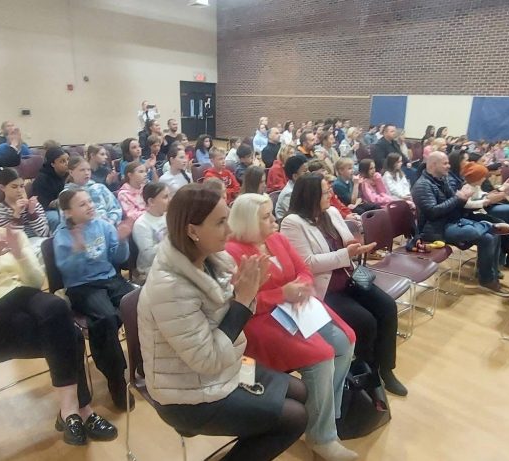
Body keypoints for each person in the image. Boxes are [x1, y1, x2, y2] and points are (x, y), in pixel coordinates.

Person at [0, 181, 115, 445]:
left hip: (23, 301)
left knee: (57, 308)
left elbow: (34, 282)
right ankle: (82, 410)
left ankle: (71, 412)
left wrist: (20, 255)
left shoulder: (9, 234)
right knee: (71, 334)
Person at [138, 184, 306, 461]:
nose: (229, 230)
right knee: (295, 417)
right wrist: (244, 298)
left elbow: (230, 318)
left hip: (227, 367)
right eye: (219, 222)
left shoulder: (213, 259)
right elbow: (208, 359)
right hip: (188, 394)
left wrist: (248, 293)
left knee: (300, 391)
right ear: (192, 231)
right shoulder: (169, 287)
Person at [225, 194, 359, 461]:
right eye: (266, 216)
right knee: (321, 356)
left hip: (295, 307)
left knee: (346, 340)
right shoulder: (233, 253)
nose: (274, 219)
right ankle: (321, 437)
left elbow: (304, 270)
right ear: (248, 221)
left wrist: (302, 286)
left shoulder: (277, 239)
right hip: (258, 320)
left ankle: (324, 415)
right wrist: (282, 293)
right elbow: (240, 302)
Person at [281, 173, 407, 395]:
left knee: (387, 307)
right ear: (310, 196)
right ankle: (367, 374)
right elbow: (307, 264)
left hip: (350, 278)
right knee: (365, 321)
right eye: (325, 192)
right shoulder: (292, 223)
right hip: (325, 289)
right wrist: (345, 254)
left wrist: (356, 248)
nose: (331, 194)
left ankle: (385, 369)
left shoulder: (330, 213)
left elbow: (347, 242)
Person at [52, 188, 135, 410]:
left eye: (90, 201)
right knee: (106, 319)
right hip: (82, 286)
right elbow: (66, 271)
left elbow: (119, 259)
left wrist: (122, 241)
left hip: (109, 279)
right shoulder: (62, 235)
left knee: (140, 303)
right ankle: (116, 380)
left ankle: (144, 364)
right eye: (82, 204)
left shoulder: (103, 225)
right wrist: (77, 252)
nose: (90, 205)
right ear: (68, 212)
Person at [412, 151, 509, 295]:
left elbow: (456, 203)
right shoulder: (422, 185)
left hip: (451, 221)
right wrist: (459, 198)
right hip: (434, 230)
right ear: (433, 165)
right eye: (445, 163)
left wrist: (463, 198)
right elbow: (432, 212)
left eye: (448, 163)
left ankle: (488, 278)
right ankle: (488, 226)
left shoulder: (442, 180)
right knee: (472, 231)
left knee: (490, 237)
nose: (448, 166)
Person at [65, 156, 125, 233]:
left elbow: (116, 209)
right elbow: (67, 222)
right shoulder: (66, 194)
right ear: (71, 172)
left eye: (88, 170)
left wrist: (109, 224)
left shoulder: (99, 187)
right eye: (82, 170)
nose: (86, 173)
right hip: (85, 233)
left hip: (110, 229)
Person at [0, 168, 50, 243]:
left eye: (22, 186)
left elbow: (44, 233)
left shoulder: (33, 204)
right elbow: (12, 240)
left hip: (39, 242)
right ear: (2, 187)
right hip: (20, 246)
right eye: (14, 187)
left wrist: (32, 213)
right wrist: (17, 215)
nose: (19, 191)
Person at [132, 182, 170, 281]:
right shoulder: (141, 224)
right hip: (151, 269)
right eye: (165, 197)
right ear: (151, 201)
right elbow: (149, 256)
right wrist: (170, 237)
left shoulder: (168, 216)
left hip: (170, 262)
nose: (169, 200)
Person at [32, 147, 70, 230]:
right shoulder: (42, 179)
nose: (67, 163)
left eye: (68, 160)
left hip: (64, 207)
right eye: (62, 161)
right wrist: (58, 202)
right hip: (47, 211)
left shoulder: (69, 175)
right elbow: (42, 204)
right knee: (57, 218)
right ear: (52, 164)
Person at [274, 155, 310, 221]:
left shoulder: (304, 187)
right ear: (295, 176)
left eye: (308, 170)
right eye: (305, 171)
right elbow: (298, 216)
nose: (309, 173)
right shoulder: (288, 194)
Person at [118, 162, 148, 230]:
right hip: (139, 226)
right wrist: (150, 211)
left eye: (145, 171)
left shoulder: (145, 188)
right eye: (141, 172)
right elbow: (131, 215)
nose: (145, 174)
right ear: (130, 175)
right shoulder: (123, 194)